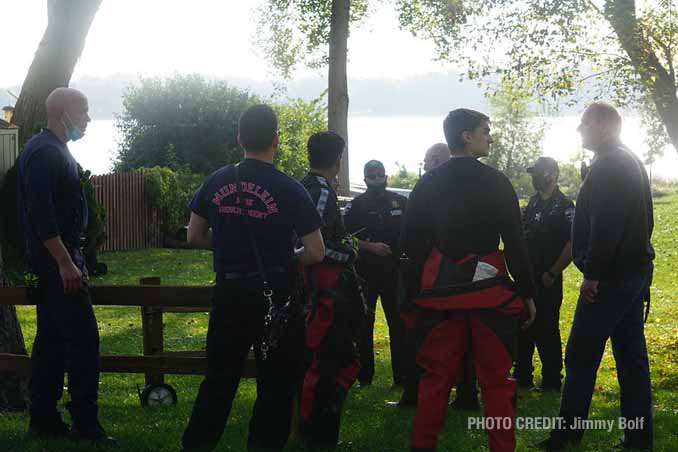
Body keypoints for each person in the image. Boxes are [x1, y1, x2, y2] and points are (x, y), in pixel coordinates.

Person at [181, 104, 325, 452]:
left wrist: (229, 243)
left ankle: (196, 446)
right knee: (276, 386)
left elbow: (194, 237)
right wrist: (288, 256)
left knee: (218, 381)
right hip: (275, 297)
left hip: (228, 292)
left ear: (240, 139)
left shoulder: (217, 180)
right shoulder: (290, 188)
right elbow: (316, 252)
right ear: (276, 140)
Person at [402, 108, 536, 452]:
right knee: (496, 382)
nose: (489, 136)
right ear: (466, 135)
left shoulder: (428, 183)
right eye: (485, 130)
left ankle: (423, 445)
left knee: (435, 379)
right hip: (490, 294)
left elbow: (411, 245)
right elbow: (516, 243)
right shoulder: (497, 182)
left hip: (441, 295)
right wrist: (527, 292)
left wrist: (418, 286)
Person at [538, 102, 654, 451]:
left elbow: (607, 228)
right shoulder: (626, 159)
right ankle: (638, 438)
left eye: (584, 124)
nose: (579, 130)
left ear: (604, 127)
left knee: (580, 354)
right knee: (631, 356)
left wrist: (593, 275)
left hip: (611, 280)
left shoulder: (610, 166)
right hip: (632, 274)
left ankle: (567, 433)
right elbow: (644, 223)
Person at [16, 87, 115, 445]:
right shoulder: (43, 152)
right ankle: (86, 425)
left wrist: (75, 259)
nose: (88, 118)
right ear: (62, 113)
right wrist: (64, 262)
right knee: (85, 341)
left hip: (61, 260)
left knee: (52, 342)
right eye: (83, 111)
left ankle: (43, 419)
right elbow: (40, 215)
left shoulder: (57, 150)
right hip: (54, 263)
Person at [299, 131, 364, 448]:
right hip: (327, 290)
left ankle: (315, 427)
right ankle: (318, 432)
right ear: (338, 160)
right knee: (333, 360)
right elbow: (315, 247)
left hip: (320, 289)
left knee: (335, 358)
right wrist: (350, 252)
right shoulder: (321, 191)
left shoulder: (304, 186)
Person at [343, 160, 408, 388]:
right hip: (365, 272)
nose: (377, 177)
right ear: (365, 179)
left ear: (386, 176)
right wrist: (370, 247)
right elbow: (342, 237)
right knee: (364, 324)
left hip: (394, 271)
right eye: (372, 174)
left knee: (398, 324)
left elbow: (413, 233)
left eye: (380, 173)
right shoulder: (356, 206)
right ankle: (364, 377)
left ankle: (402, 377)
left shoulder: (401, 201)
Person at [515, 157, 574, 391]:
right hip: (528, 276)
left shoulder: (564, 205)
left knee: (547, 328)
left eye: (538, 173)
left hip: (548, 278)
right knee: (524, 324)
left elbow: (572, 243)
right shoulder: (533, 202)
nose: (534, 178)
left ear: (552, 174)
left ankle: (551, 379)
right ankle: (522, 375)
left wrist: (553, 271)